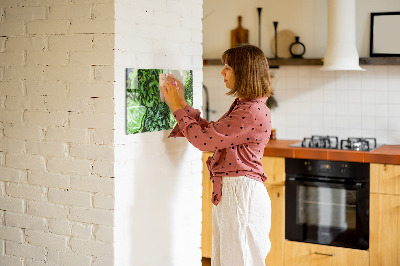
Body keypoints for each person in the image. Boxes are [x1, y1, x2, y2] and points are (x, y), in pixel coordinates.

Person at [161, 44, 273, 266]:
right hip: (236, 193)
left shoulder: (250, 111)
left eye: (228, 67)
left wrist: (176, 107)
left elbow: (204, 141)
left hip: (241, 195)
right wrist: (182, 104)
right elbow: (212, 133)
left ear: (244, 72)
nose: (222, 72)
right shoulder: (246, 106)